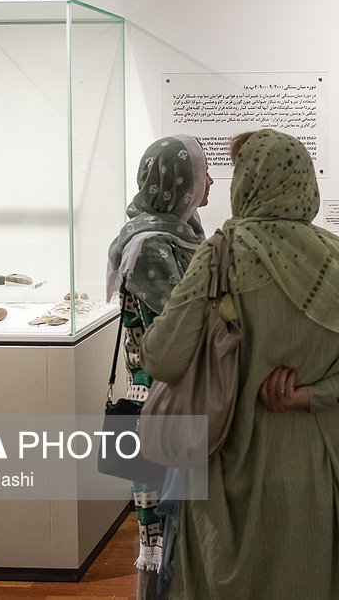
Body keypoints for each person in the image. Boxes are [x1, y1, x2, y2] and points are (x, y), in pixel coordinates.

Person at [140, 129, 339, 598]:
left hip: (230, 471)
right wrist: (315, 394)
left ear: (247, 183)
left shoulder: (220, 253)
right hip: (315, 469)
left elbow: (162, 356)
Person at [105, 135, 213, 598]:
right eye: (200, 172)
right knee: (166, 523)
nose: (209, 180)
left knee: (188, 517)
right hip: (159, 397)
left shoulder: (185, 229)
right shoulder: (149, 244)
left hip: (186, 389)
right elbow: (183, 320)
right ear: (178, 183)